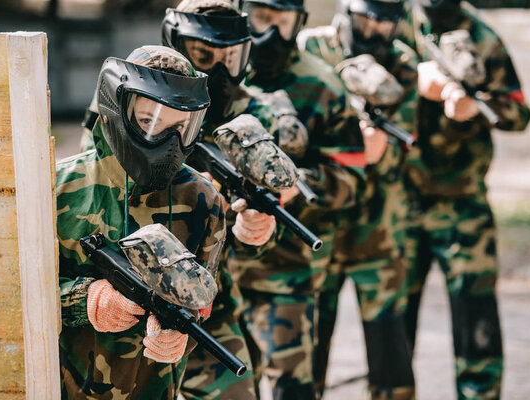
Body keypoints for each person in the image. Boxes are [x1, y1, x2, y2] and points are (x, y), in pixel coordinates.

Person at [57, 45, 259, 399]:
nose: (167, 141)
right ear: (117, 111)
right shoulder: (56, 188)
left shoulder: (202, 199)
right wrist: (83, 299)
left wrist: (182, 329)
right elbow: (12, 295)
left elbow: (202, 294)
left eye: (180, 127)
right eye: (149, 121)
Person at [229, 0, 368, 398]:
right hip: (220, 268)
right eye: (261, 18)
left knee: (293, 385)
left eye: (282, 21)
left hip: (288, 269)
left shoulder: (321, 84)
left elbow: (352, 174)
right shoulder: (220, 73)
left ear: (299, 24)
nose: (270, 32)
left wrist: (295, 185)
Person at [400, 1, 530, 398]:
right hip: (400, 200)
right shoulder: (394, 22)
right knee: (393, 326)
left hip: (462, 203)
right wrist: (414, 84)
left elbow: (519, 113)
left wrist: (476, 106)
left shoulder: (482, 36)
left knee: (476, 320)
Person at [160, 1, 286, 399]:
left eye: (230, 57)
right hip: (131, 290)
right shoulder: (138, 102)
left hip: (211, 298)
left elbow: (274, 215)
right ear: (176, 43)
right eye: (204, 55)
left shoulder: (257, 115)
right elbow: (99, 192)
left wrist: (259, 231)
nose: (219, 71)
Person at [297, 1, 417, 398]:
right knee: (306, 352)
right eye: (366, 19)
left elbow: (405, 147)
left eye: (385, 24)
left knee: (390, 354)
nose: (373, 31)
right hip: (317, 224)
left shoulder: (403, 62)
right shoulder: (311, 49)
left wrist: (379, 149)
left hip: (378, 229)